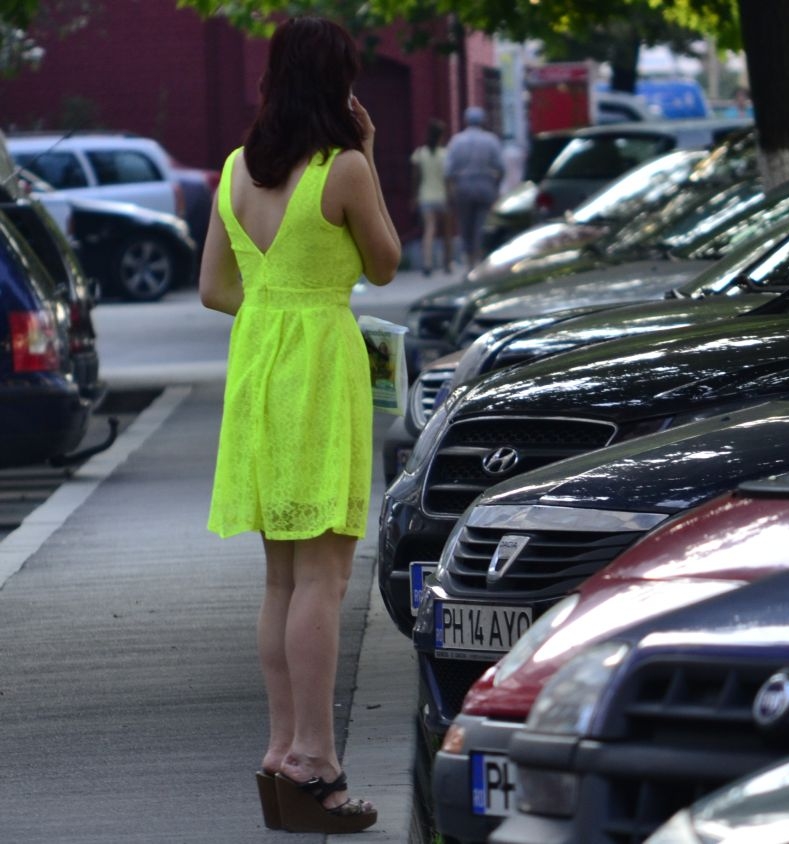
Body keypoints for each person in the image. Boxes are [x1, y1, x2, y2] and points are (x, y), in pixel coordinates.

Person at [198, 15, 400, 835]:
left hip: (259, 374)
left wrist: (274, 313)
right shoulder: (345, 167)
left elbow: (214, 288)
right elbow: (384, 263)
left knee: (282, 578)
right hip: (321, 373)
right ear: (339, 83)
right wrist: (372, 153)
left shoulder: (235, 171)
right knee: (326, 576)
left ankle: (282, 749)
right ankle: (317, 761)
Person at [444, 105, 505, 271]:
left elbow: (448, 171)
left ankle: (468, 264)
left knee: (465, 226)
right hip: (485, 186)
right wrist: (496, 187)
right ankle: (478, 262)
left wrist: (451, 191)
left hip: (463, 187)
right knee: (481, 225)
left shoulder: (456, 141)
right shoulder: (491, 140)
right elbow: (500, 168)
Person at [410, 118, 453, 275]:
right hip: (442, 196)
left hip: (425, 196)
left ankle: (427, 262)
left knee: (429, 230)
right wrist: (450, 196)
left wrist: (414, 197)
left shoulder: (420, 153)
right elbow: (448, 179)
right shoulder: (446, 155)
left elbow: (416, 177)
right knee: (447, 232)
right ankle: (447, 263)